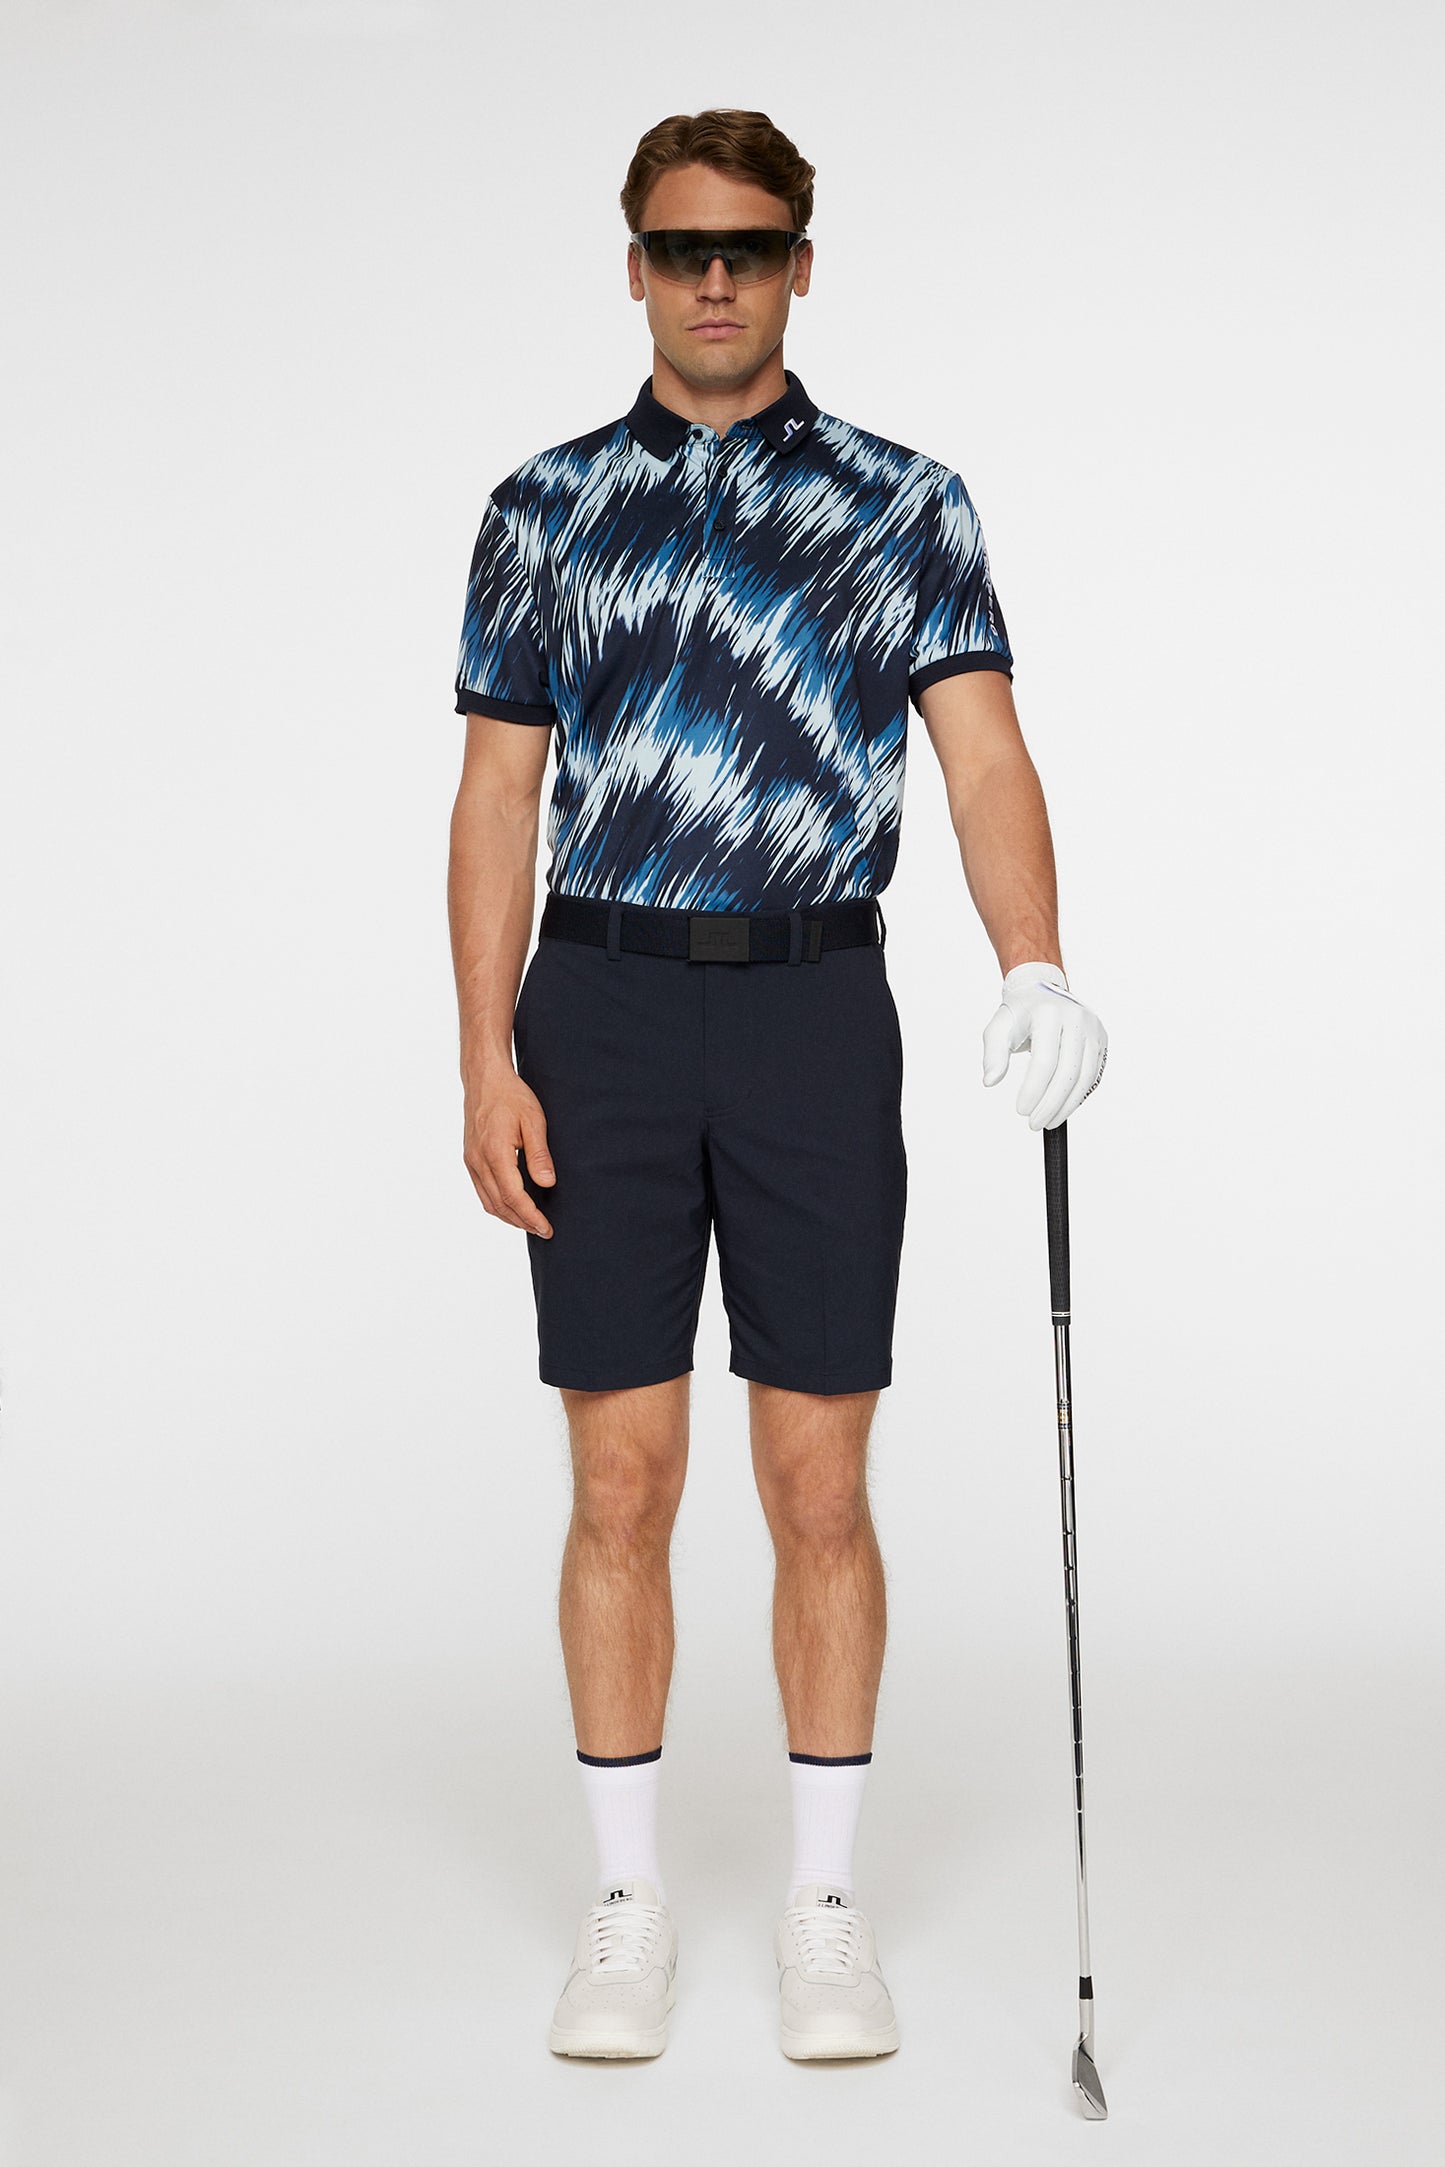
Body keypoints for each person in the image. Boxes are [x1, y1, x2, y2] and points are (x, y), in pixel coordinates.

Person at [446, 107, 1109, 2065]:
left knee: (819, 1478)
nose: (715, 278)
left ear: (801, 262)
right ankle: (628, 1901)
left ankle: (823, 1904)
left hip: (816, 1005)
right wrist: (482, 1056)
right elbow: (495, 794)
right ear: (636, 267)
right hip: (602, 1006)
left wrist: (1035, 959)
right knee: (620, 1478)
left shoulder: (903, 502)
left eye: (748, 245)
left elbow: (981, 754)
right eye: (682, 248)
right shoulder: (546, 508)